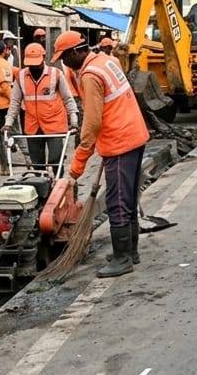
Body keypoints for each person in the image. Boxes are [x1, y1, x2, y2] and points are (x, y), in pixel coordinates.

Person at [54, 30, 150, 277]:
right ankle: (131, 251)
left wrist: (76, 167)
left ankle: (122, 259)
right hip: (135, 135)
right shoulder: (106, 60)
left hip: (120, 143)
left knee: (116, 202)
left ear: (75, 52)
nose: (64, 63)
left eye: (64, 57)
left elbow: (92, 124)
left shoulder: (90, 75)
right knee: (128, 198)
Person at [5, 42, 80, 169]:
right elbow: (15, 102)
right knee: (37, 163)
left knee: (56, 160)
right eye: (31, 64)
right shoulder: (21, 76)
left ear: (43, 57)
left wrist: (73, 120)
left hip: (54, 125)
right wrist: (8, 123)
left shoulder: (56, 74)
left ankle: (57, 178)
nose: (33, 67)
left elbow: (68, 99)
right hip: (33, 126)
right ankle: (39, 179)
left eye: (36, 63)